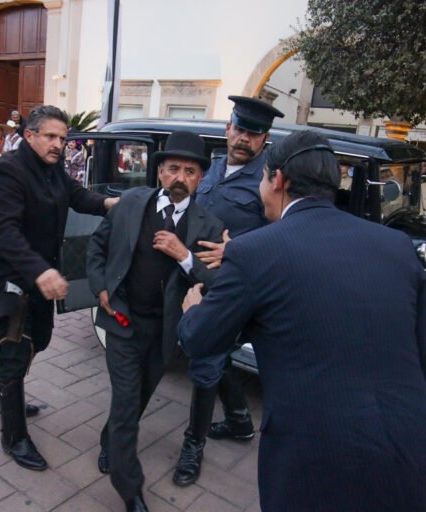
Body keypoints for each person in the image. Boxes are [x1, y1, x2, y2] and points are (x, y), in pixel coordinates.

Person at [178, 130, 426, 512]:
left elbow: (201, 341)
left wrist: (193, 312)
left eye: (262, 179)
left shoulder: (255, 251)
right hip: (408, 451)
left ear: (278, 180)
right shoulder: (396, 245)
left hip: (316, 463)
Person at [0, 106, 117, 473]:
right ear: (30, 135)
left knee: (41, 339)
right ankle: (14, 436)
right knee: (15, 350)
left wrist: (111, 204)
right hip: (9, 281)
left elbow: (79, 198)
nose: (58, 144)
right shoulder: (9, 170)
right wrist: (40, 272)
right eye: (51, 137)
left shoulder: (54, 169)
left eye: (64, 138)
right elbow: (3, 232)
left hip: (40, 281)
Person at [87, 131, 224, 512]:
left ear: (200, 178)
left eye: (190, 171)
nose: (181, 177)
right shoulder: (131, 203)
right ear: (160, 172)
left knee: (138, 397)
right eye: (173, 169)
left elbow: (216, 281)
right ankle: (130, 490)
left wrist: (184, 256)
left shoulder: (210, 226)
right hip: (122, 320)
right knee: (128, 399)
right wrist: (100, 286)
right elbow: (98, 245)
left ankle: (109, 441)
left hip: (166, 331)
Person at [171, 96, 284, 487]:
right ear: (227, 129)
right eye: (239, 129)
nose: (243, 139)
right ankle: (238, 421)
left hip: (233, 287)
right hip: (189, 277)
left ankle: (192, 445)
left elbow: (281, 237)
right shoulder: (211, 169)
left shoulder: (271, 180)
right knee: (211, 354)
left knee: (203, 359)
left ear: (264, 139)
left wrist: (235, 248)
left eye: (253, 134)